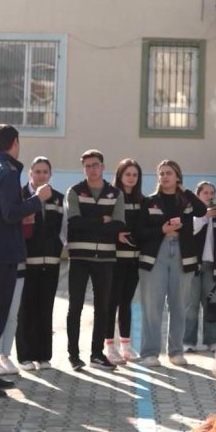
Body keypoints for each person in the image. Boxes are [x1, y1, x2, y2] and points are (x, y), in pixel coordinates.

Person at [0, 125, 51, 398]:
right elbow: (11, 213)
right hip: (2, 254)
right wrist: (37, 199)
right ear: (15, 142)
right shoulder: (7, 172)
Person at [137, 160, 206, 367]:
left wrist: (186, 192)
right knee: (152, 306)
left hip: (183, 256)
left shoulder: (186, 201)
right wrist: (162, 230)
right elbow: (139, 232)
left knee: (178, 305)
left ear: (178, 177)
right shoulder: (149, 201)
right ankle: (150, 353)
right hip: (155, 255)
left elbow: (202, 211)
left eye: (169, 173)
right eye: (161, 173)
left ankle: (176, 352)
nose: (164, 177)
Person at [65, 149, 128, 372]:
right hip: (79, 257)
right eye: (88, 166)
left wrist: (90, 222)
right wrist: (103, 220)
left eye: (95, 165)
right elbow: (74, 223)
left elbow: (119, 225)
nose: (92, 169)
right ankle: (73, 355)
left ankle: (97, 354)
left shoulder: (115, 194)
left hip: (106, 259)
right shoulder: (75, 191)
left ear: (103, 166)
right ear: (84, 168)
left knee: (103, 308)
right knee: (75, 307)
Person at [12, 157, 64, 372]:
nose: (41, 175)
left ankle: (43, 356)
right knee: (25, 309)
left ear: (50, 175)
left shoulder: (59, 199)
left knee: (45, 309)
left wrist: (58, 249)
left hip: (50, 264)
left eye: (45, 171)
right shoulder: (20, 197)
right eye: (37, 171)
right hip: (26, 264)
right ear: (30, 174)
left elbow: (64, 231)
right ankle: (25, 356)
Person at [104, 159, 143, 365]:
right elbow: (105, 224)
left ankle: (125, 345)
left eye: (135, 175)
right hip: (115, 259)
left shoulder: (141, 200)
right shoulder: (111, 196)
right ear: (120, 175)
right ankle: (109, 346)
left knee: (126, 302)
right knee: (112, 302)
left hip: (133, 259)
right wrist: (115, 234)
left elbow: (144, 228)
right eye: (127, 174)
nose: (131, 178)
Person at [184, 181, 216, 353]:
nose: (209, 196)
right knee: (191, 305)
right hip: (194, 265)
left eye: (212, 193)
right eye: (205, 193)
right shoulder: (192, 213)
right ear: (198, 195)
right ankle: (188, 342)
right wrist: (205, 216)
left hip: (213, 266)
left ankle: (212, 341)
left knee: (211, 304)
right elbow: (191, 230)